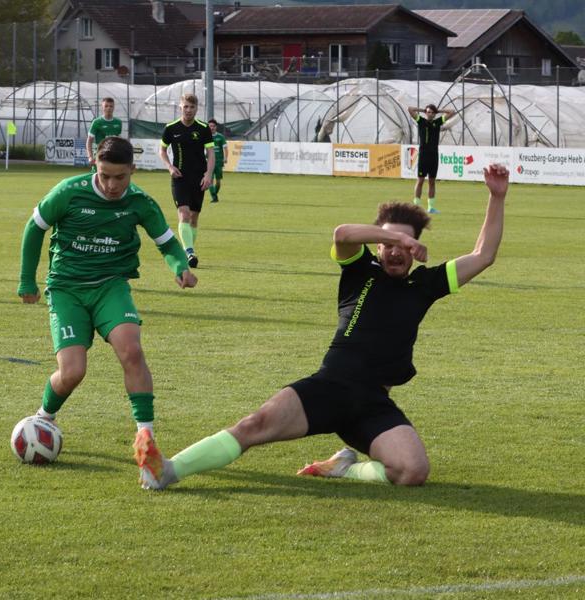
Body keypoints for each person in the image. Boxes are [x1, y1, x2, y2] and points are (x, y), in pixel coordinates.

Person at [142, 165, 510, 491]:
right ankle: (168, 470)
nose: (395, 252)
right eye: (387, 243)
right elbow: (342, 233)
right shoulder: (358, 269)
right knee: (254, 425)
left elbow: (484, 255)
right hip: (329, 387)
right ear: (379, 245)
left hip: (373, 404)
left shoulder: (425, 285)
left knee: (412, 471)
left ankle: (342, 470)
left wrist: (496, 198)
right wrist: (393, 236)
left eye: (404, 246)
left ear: (415, 251)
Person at [18, 136, 198, 481]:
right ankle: (44, 415)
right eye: (104, 176)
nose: (112, 184)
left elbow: (167, 242)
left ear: (132, 170)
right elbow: (34, 228)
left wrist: (180, 268)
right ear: (94, 168)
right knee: (72, 372)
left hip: (111, 287)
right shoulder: (68, 192)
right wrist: (28, 280)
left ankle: (146, 437)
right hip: (67, 289)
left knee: (131, 349)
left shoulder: (140, 202)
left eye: (120, 177)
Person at [158, 93, 214, 268]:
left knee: (194, 218)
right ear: (180, 107)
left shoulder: (204, 129)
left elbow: (211, 154)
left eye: (192, 107)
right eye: (186, 106)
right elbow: (162, 150)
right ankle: (189, 253)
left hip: (199, 179)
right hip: (180, 178)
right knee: (184, 214)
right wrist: (169, 167)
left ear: (197, 109)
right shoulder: (171, 128)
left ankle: (189, 249)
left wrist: (208, 175)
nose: (189, 110)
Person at [408, 103, 456, 214]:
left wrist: (438, 111)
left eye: (432, 112)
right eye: (428, 112)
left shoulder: (437, 122)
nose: (430, 114)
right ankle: (416, 207)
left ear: (434, 114)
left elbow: (452, 112)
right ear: (426, 113)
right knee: (420, 181)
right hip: (423, 156)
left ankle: (431, 207)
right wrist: (423, 109)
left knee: (432, 182)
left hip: (434, 156)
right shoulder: (421, 120)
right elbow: (410, 109)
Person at [85, 97, 122, 169]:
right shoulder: (97, 122)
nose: (109, 108)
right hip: (100, 157)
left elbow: (118, 140)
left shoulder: (118, 122)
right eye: (106, 106)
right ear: (102, 107)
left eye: (111, 106)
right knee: (98, 179)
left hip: (113, 158)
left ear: (114, 107)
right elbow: (89, 141)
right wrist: (90, 157)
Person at [207, 119, 228, 203]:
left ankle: (214, 194)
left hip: (219, 162)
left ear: (216, 127)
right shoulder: (206, 137)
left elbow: (225, 148)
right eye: (210, 126)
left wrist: (225, 157)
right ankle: (214, 197)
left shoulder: (220, 137)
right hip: (209, 162)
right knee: (210, 180)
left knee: (218, 182)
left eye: (213, 126)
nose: (211, 128)